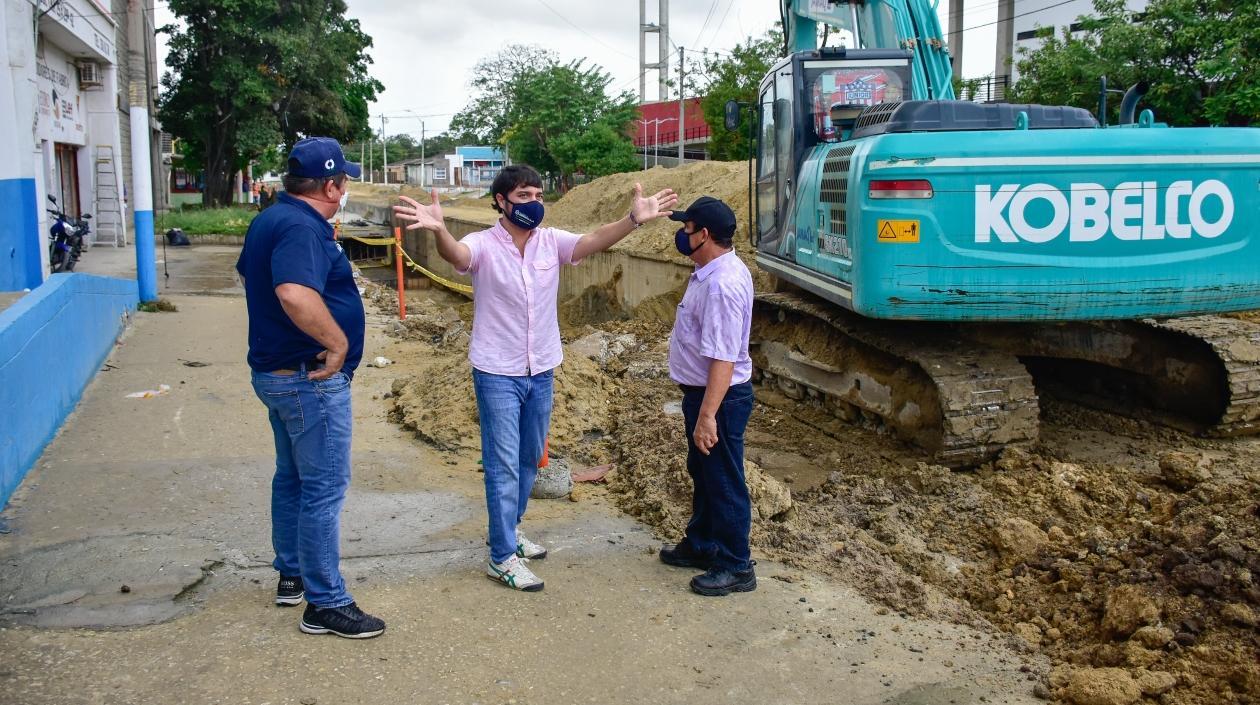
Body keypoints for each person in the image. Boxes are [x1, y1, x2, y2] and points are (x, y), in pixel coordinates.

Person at [394, 166, 677, 592]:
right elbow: (458, 257)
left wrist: (633, 219)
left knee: (530, 458)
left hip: (541, 367)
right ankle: (501, 556)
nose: (534, 202)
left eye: (538, 194)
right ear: (502, 202)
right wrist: (438, 230)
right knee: (503, 464)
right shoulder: (484, 245)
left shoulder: (550, 242)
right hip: (497, 372)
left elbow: (593, 241)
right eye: (524, 194)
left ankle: (509, 529)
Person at [235, 137, 385, 638]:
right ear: (331, 184)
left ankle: (292, 574)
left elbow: (251, 278)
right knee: (323, 488)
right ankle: (325, 602)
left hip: (278, 374)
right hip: (309, 380)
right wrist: (337, 343)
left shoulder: (272, 219)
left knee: (293, 478)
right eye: (344, 179)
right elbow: (294, 293)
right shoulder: (301, 227)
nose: (345, 187)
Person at [657, 196, 757, 597]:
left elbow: (723, 359)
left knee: (723, 480)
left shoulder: (722, 284)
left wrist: (707, 416)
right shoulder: (709, 272)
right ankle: (702, 544)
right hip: (703, 395)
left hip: (719, 399)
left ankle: (736, 565)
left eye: (687, 229)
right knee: (703, 472)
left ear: (705, 235)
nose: (682, 235)